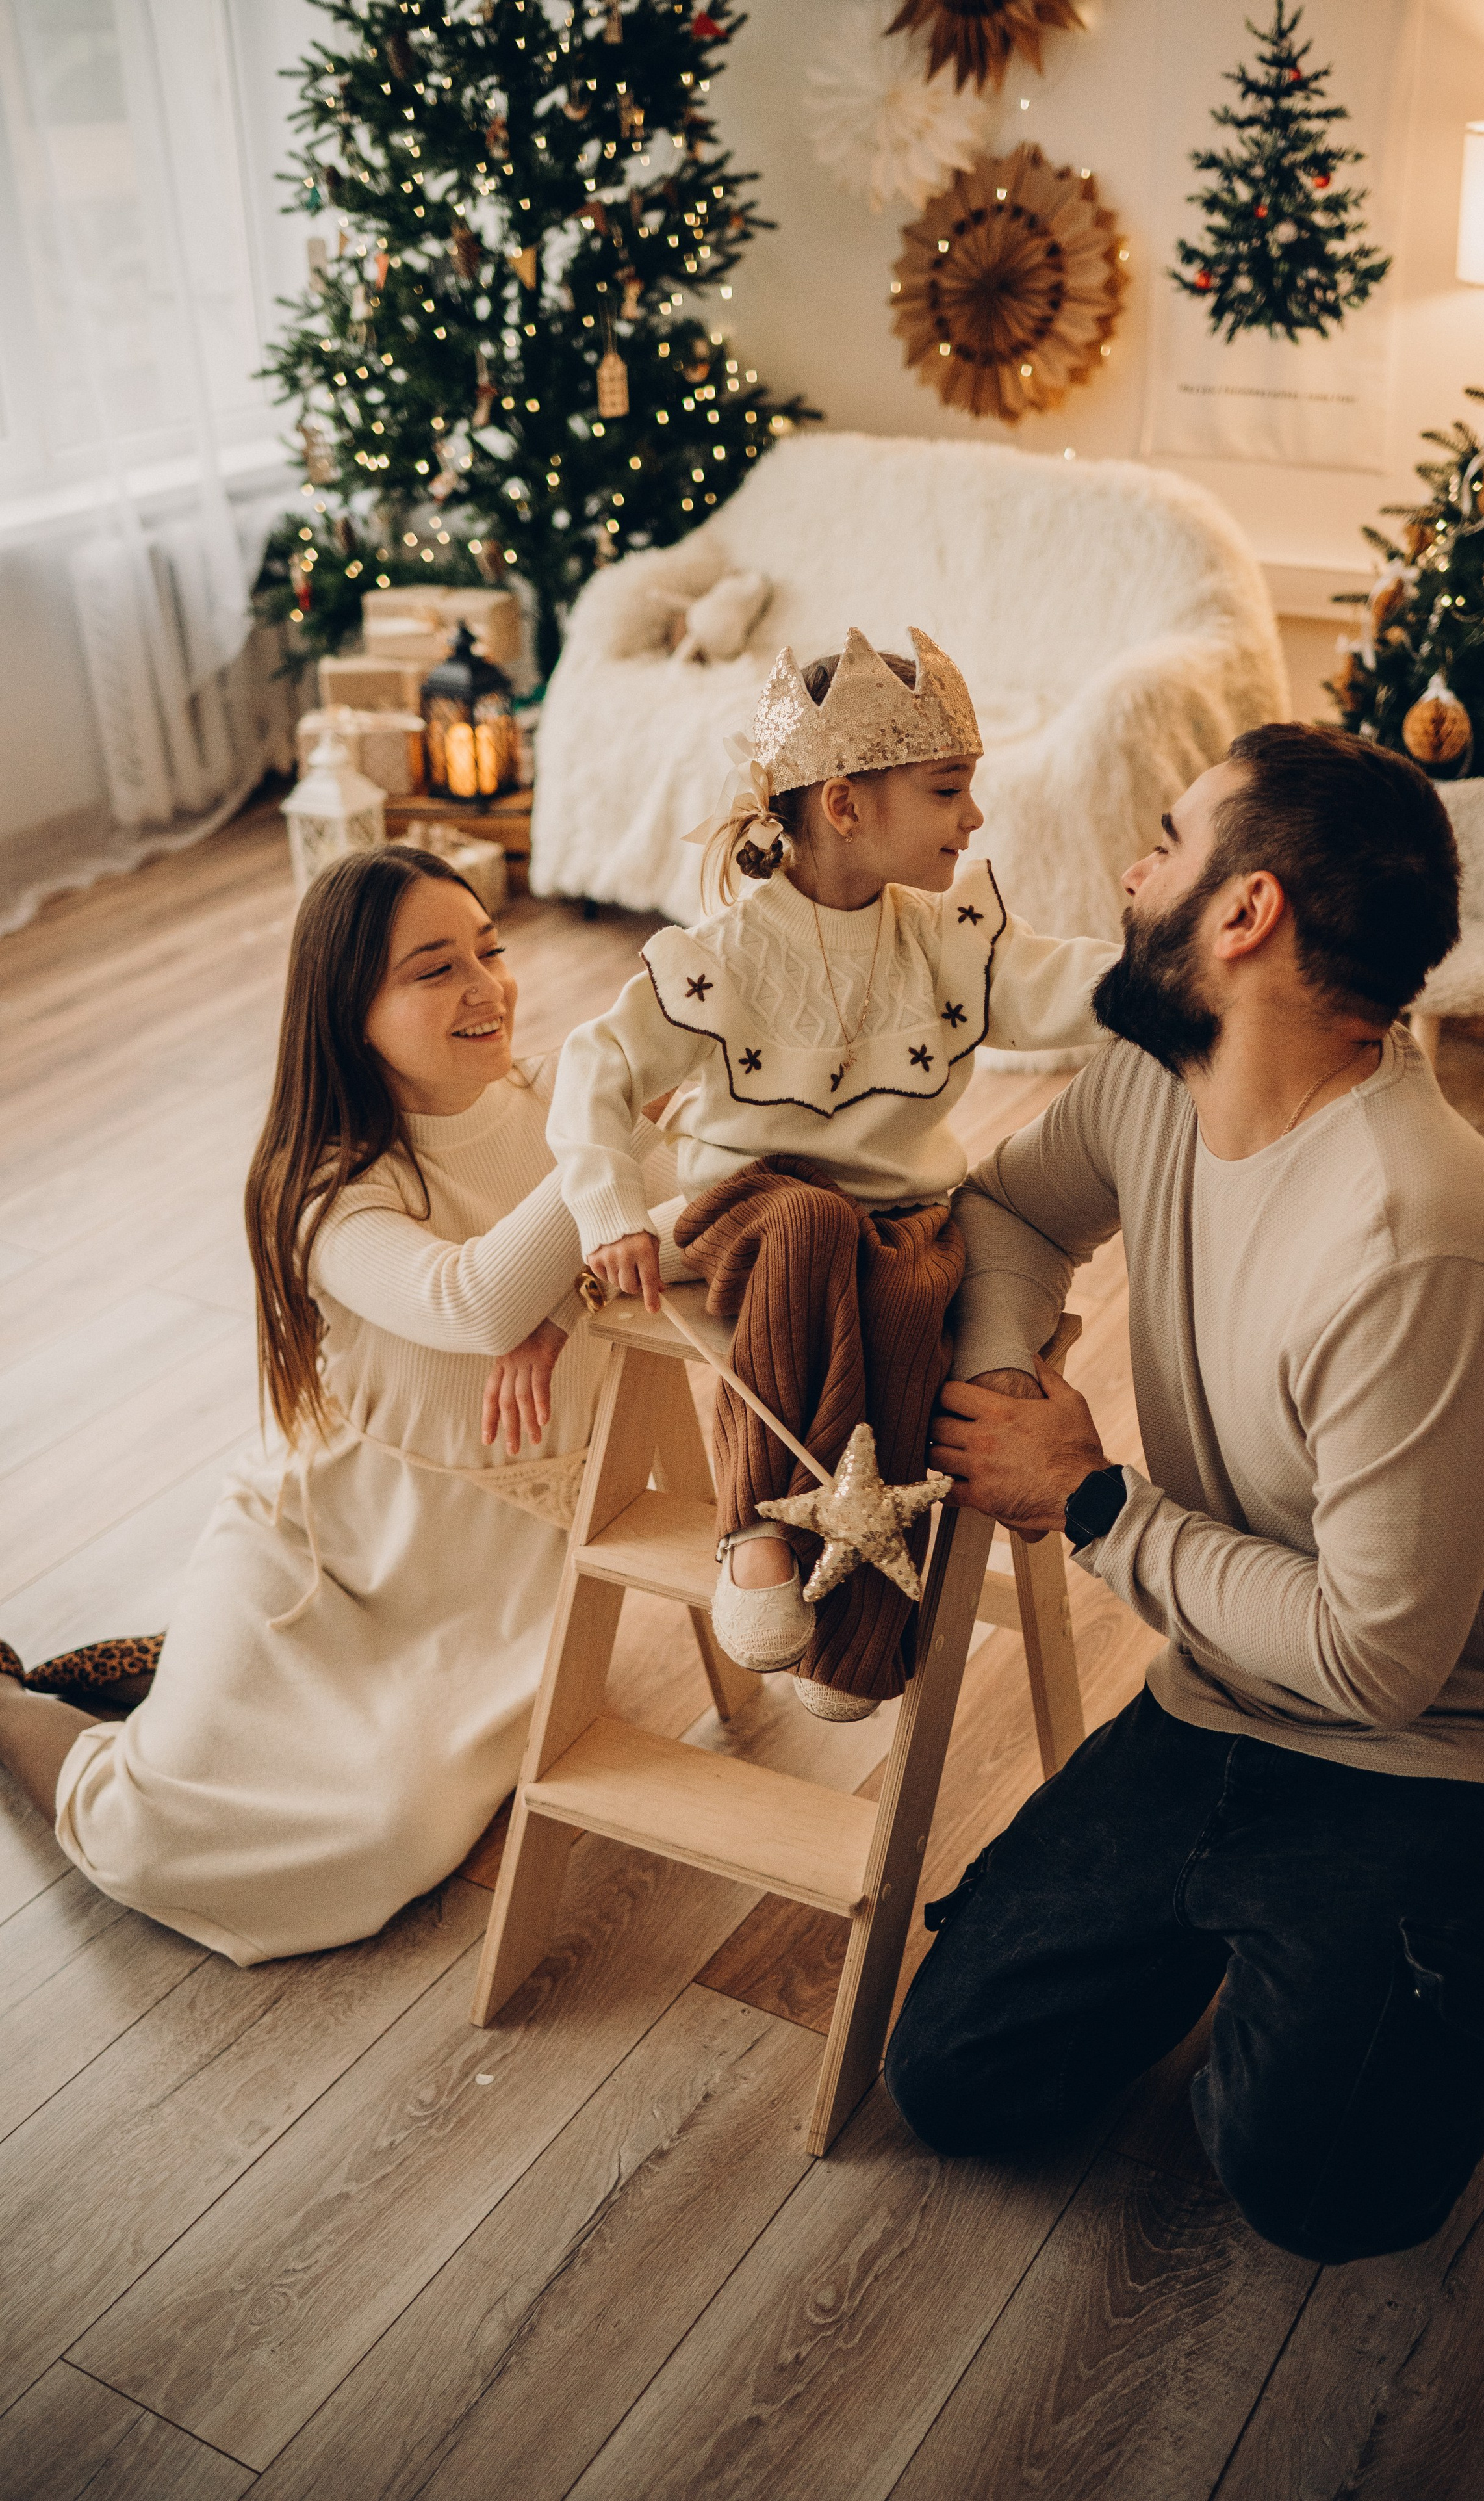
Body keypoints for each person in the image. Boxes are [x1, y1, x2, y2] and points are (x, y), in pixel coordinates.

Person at [892, 721, 1484, 2264]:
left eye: (1165, 839)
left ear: (1245, 913)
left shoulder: (1415, 1237)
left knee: (1315, 2187)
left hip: (1446, 1751)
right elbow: (1010, 1211)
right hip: (1222, 1697)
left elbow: (1379, 1662)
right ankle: (1249, 1919)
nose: (1129, 869)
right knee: (954, 2079)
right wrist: (1018, 1380)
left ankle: (1411, 1946)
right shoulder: (1156, 1088)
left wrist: (1090, 1503)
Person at [0, 845, 666, 1965]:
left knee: (389, 1830)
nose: (487, 988)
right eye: (434, 969)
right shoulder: (327, 1191)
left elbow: (677, 1193)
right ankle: (19, 1709)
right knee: (157, 1833)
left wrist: (578, 1289)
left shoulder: (557, 1098)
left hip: (492, 1582)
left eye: (491, 952)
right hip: (334, 1551)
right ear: (349, 1010)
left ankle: (187, 1682)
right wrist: (617, 1153)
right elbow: (473, 1300)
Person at [546, 625, 1118, 1722]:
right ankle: (754, 1529)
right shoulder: (723, 953)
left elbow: (1069, 984)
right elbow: (597, 1066)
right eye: (949, 791)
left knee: (910, 1297)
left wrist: (1189, 969)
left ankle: (855, 1632)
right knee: (807, 1224)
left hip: (897, 1220)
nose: (975, 817)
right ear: (847, 806)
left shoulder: (951, 938)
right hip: (745, 1214)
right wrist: (609, 1206)